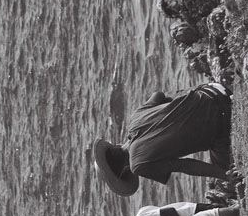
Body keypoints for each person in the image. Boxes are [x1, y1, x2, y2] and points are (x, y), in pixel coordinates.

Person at [93, 82, 232, 196]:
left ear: (125, 170)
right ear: (116, 145)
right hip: (213, 90)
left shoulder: (137, 166)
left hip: (222, 121)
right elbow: (158, 95)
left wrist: (225, 175)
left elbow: (183, 165)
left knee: (224, 177)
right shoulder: (134, 119)